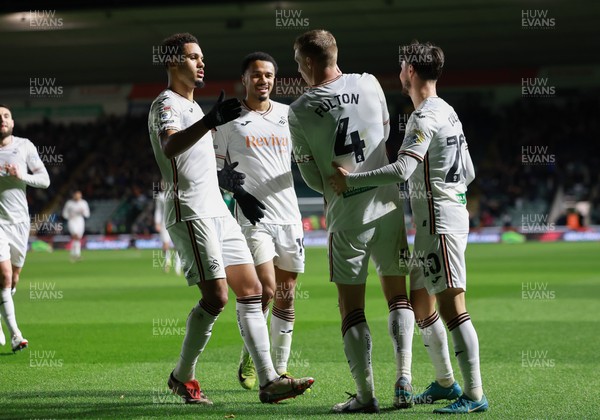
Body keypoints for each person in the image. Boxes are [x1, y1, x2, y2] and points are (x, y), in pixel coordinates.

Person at [147, 32, 313, 405]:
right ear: (173, 62)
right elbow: (171, 146)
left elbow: (210, 167)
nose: (201, 62)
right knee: (217, 296)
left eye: (201, 57)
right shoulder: (166, 104)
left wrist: (236, 190)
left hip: (219, 212)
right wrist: (210, 122)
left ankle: (269, 379)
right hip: (190, 211)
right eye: (193, 57)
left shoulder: (196, 107)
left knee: (254, 291)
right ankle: (182, 376)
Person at [329, 41, 488, 414]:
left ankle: (475, 394)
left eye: (402, 66)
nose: (400, 72)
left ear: (411, 72)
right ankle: (446, 383)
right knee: (421, 304)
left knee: (452, 307)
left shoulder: (423, 117)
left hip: (439, 223)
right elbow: (469, 171)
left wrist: (351, 181)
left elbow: (402, 169)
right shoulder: (448, 111)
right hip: (443, 218)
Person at [288, 30, 414, 414]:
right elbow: (387, 131)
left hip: (346, 216)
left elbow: (310, 177)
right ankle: (404, 378)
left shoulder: (300, 109)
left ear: (309, 62)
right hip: (389, 207)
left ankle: (365, 394)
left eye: (297, 61)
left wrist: (336, 183)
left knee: (351, 307)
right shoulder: (369, 83)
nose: (298, 68)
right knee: (398, 295)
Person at [213, 52, 305, 390]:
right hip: (253, 217)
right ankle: (261, 362)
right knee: (265, 289)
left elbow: (305, 158)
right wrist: (237, 192)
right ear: (245, 79)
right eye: (256, 75)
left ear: (274, 79)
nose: (262, 80)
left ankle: (279, 370)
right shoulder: (230, 119)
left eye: (268, 75)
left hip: (289, 216)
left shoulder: (288, 115)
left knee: (287, 295)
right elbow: (215, 168)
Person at [0, 104, 50, 352]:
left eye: (6, 115)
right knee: (5, 276)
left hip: (19, 223)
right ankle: (15, 335)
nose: (2, 119)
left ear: (13, 122)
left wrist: (22, 176)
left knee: (14, 279)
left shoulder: (24, 146)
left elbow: (45, 179)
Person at [154, 185, 181, 275]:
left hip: (174, 222)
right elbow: (158, 210)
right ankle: (167, 261)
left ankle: (177, 265)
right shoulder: (160, 197)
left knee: (177, 245)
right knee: (165, 244)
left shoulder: (175, 195)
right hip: (164, 223)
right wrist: (157, 222)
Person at [62, 190, 90, 261]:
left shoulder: (84, 203)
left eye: (79, 195)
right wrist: (69, 216)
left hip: (80, 221)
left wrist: (83, 212)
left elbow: (87, 214)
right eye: (76, 195)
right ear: (73, 195)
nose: (77, 196)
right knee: (76, 236)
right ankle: (77, 254)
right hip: (72, 221)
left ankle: (73, 254)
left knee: (78, 238)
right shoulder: (69, 203)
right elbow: (64, 213)